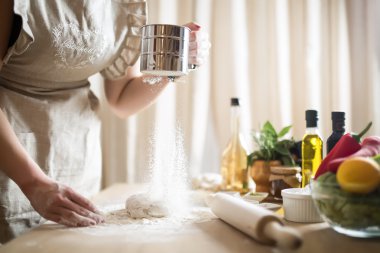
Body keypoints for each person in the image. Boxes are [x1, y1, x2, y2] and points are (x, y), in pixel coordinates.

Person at [0, 0, 210, 243]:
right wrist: (32, 181)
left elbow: (122, 100)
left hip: (77, 164)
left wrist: (174, 62)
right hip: (12, 166)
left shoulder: (124, 5)